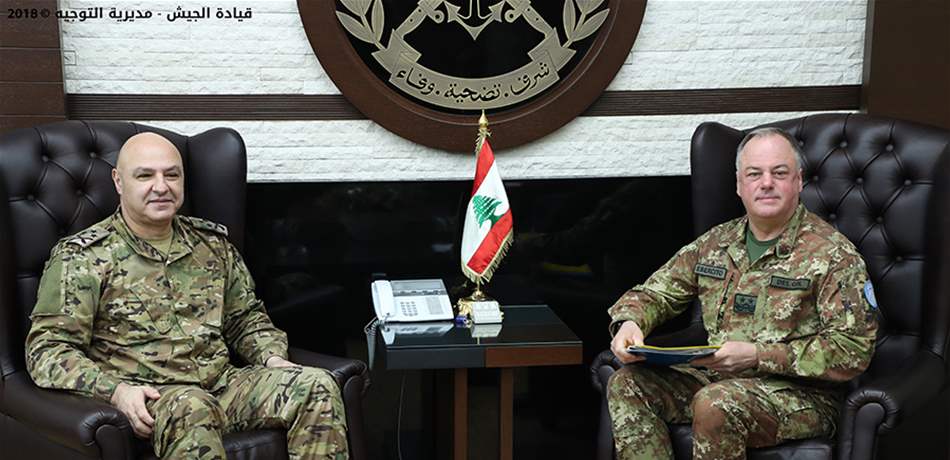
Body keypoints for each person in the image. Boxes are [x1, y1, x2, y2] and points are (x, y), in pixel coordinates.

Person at [25, 132, 348, 459]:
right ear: (119, 182)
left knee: (316, 384)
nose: (161, 186)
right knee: (191, 406)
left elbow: (245, 318)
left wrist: (272, 358)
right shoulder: (83, 258)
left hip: (224, 386)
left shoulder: (211, 243)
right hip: (156, 398)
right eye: (145, 175)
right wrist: (117, 392)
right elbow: (48, 350)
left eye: (172, 174)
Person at [606, 127, 878, 460]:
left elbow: (852, 350)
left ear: (799, 181)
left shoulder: (833, 256)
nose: (766, 183)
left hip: (802, 396)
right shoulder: (716, 243)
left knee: (717, 402)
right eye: (754, 174)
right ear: (739, 184)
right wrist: (631, 322)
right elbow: (655, 293)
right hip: (716, 378)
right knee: (628, 384)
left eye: (779, 173)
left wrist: (756, 355)